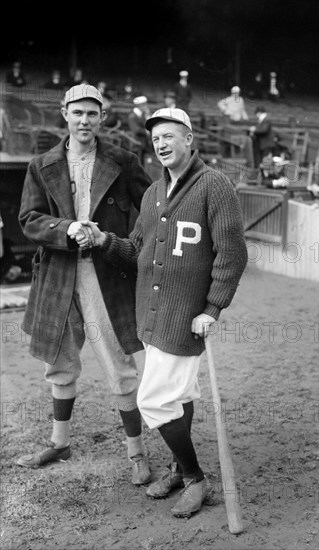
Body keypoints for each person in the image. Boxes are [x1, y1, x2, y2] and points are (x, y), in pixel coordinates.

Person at [80, 107, 248, 518]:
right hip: (153, 315)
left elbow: (233, 254)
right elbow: (137, 251)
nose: (161, 144)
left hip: (186, 316)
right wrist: (104, 241)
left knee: (153, 400)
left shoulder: (215, 185)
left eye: (170, 136)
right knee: (179, 395)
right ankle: (178, 467)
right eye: (156, 139)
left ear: (190, 139)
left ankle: (194, 477)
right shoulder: (154, 193)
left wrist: (213, 307)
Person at [16, 84, 153, 485]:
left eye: (92, 114)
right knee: (58, 362)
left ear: (102, 117)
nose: (85, 121)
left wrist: (119, 244)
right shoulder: (41, 165)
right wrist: (66, 227)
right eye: (77, 113)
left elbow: (150, 212)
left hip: (104, 274)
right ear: (64, 114)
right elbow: (29, 218)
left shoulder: (123, 161)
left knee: (119, 363)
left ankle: (137, 451)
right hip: (57, 276)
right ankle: (60, 442)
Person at [127, 96, 152, 165]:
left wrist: (148, 116)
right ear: (140, 106)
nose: (146, 106)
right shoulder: (132, 116)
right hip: (136, 144)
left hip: (144, 144)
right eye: (144, 105)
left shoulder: (143, 115)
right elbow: (136, 130)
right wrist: (147, 131)